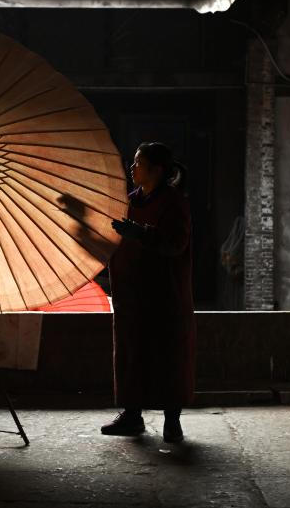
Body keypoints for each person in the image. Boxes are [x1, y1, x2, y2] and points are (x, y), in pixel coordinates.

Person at [102, 141, 196, 443]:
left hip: (164, 294)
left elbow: (176, 244)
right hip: (131, 293)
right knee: (131, 352)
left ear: (156, 170)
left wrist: (142, 234)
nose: (132, 168)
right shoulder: (128, 201)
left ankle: (172, 421)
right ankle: (132, 415)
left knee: (167, 354)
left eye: (138, 163)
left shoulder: (173, 202)